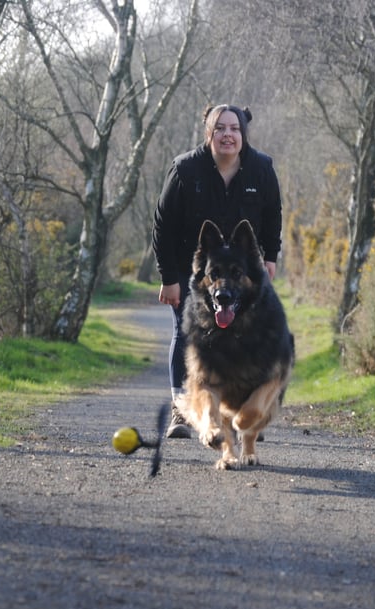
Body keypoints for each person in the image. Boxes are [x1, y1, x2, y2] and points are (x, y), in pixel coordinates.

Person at [152, 104, 283, 438]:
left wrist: (271, 256)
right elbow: (163, 226)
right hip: (192, 271)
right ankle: (183, 412)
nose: (228, 135)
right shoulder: (185, 170)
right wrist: (169, 279)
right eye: (220, 128)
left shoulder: (261, 169)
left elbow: (272, 215)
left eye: (235, 129)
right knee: (188, 335)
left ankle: (241, 412)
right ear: (208, 133)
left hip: (241, 274)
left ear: (243, 134)